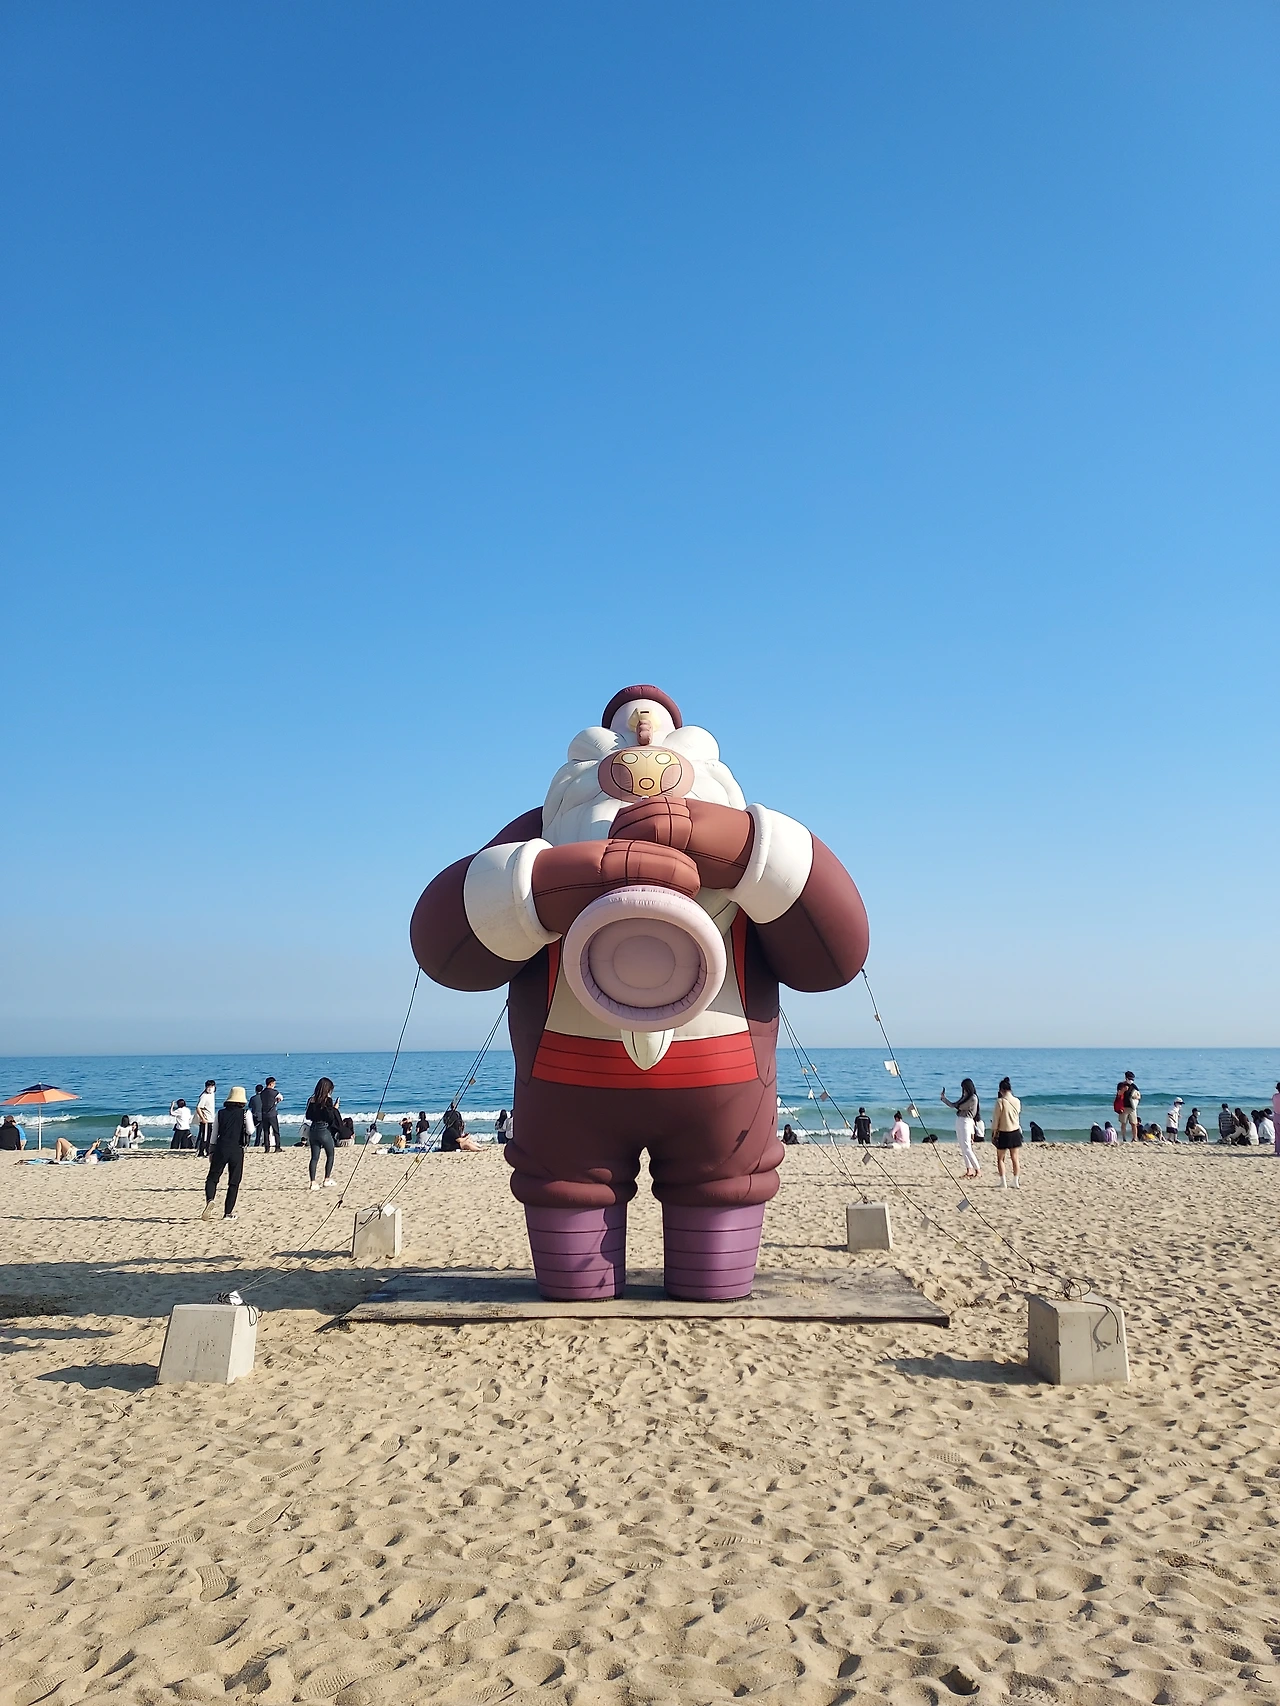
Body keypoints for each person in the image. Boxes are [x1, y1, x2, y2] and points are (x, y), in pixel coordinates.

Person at [201, 1086, 253, 1220]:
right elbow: (250, 1130)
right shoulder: (245, 1113)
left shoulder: (220, 1113)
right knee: (234, 1182)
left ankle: (210, 1199)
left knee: (212, 1178)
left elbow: (214, 1134)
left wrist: (211, 1150)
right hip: (237, 1149)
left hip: (221, 1148)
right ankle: (227, 1213)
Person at [305, 1077, 344, 1189]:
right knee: (330, 1154)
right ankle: (327, 1179)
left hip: (313, 1130)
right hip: (324, 1129)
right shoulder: (327, 1100)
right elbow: (330, 1117)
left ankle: (312, 1182)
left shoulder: (311, 1100)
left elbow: (308, 1116)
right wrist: (334, 1108)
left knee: (314, 1157)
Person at [940, 1080, 981, 1178]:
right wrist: (944, 1099)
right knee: (963, 1147)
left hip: (967, 1121)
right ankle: (969, 1169)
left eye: (964, 1088)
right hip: (960, 1120)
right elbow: (954, 1105)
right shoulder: (965, 1097)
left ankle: (978, 1170)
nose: (963, 1090)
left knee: (967, 1147)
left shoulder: (973, 1098)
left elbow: (960, 1106)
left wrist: (957, 1104)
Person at [991, 1076, 1023, 1186]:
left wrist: (994, 1132)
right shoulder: (1017, 1101)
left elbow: (996, 1119)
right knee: (1015, 1158)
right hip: (1015, 1131)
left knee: (1000, 1158)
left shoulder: (1000, 1102)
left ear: (1001, 1090)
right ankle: (1015, 1181)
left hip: (1003, 1132)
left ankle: (1003, 1182)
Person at [1115, 1072, 1141, 1142]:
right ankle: (1124, 1138)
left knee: (1134, 1123)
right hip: (1124, 1107)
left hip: (1132, 1108)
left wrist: (1136, 1097)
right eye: (1129, 1079)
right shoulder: (1121, 1085)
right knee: (1123, 1123)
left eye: (1132, 1079)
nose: (1131, 1080)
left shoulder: (1134, 1086)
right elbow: (1118, 1094)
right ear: (1126, 1078)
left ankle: (1134, 1138)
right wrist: (1123, 1090)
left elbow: (1139, 1096)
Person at [260, 1077, 282, 1152]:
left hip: (264, 1114)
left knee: (266, 1132)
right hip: (272, 1114)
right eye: (274, 1083)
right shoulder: (274, 1092)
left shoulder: (262, 1093)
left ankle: (267, 1148)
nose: (274, 1085)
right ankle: (277, 1147)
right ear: (271, 1084)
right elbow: (281, 1098)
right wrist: (276, 1101)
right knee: (276, 1131)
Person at [196, 1080, 217, 1157]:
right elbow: (198, 1108)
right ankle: (201, 1152)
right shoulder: (204, 1096)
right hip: (206, 1120)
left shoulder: (212, 1094)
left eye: (212, 1086)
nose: (210, 1088)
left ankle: (208, 1151)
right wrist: (203, 1118)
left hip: (211, 1119)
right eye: (208, 1086)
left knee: (210, 1136)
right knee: (205, 1137)